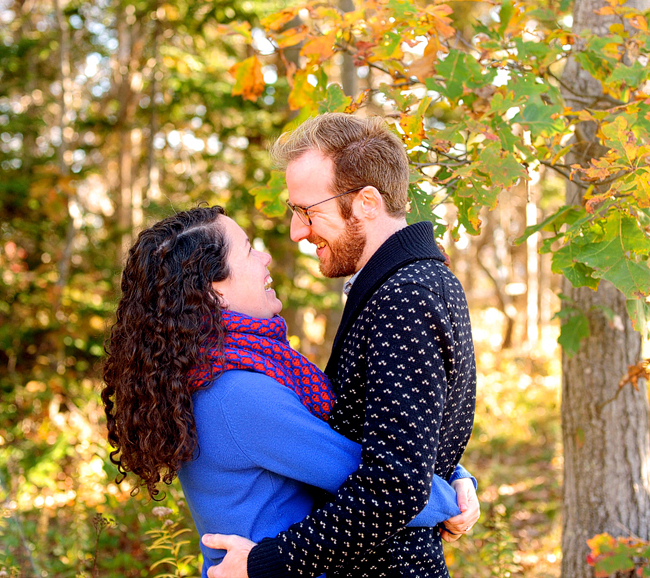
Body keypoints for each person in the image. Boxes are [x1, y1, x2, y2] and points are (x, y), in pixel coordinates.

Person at [101, 206, 478, 576]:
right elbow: (385, 483)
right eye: (248, 249)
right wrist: (454, 499)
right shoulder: (236, 393)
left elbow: (367, 442)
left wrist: (455, 472)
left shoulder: (220, 368)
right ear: (214, 291)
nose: (265, 257)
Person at [203, 113, 478, 578]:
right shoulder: (395, 286)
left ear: (366, 202)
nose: (297, 231)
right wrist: (454, 476)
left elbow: (393, 488)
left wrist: (266, 562)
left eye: (308, 211)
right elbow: (396, 437)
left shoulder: (406, 296)